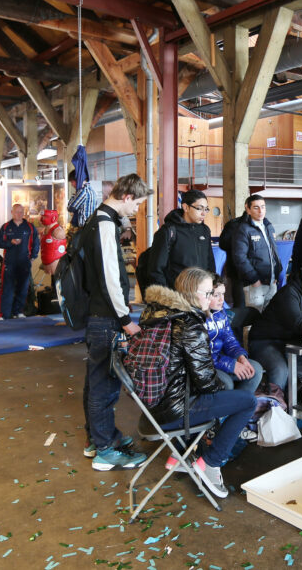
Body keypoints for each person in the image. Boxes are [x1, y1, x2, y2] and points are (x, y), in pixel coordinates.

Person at [137, 267, 257, 498]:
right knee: (246, 401)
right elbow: (206, 383)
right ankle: (211, 462)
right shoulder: (190, 325)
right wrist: (227, 388)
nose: (212, 297)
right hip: (175, 408)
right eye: (208, 292)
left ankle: (182, 452)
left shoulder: (162, 313)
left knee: (230, 393)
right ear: (193, 294)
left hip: (155, 403)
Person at [82, 174, 151, 471]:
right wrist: (125, 319)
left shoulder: (99, 220)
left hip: (99, 314)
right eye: (137, 204)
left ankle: (99, 438)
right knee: (105, 385)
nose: (136, 210)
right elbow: (111, 276)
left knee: (96, 380)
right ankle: (105, 450)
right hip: (106, 318)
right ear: (126, 197)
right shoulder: (105, 223)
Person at [248, 261, 302, 390]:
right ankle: (275, 405)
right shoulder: (288, 294)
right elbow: (299, 327)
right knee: (280, 369)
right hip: (264, 342)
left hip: (289, 343)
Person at [204, 273, 263, 393]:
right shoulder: (196, 318)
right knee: (226, 383)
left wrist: (240, 357)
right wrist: (230, 364)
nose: (222, 299)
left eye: (223, 294)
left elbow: (229, 340)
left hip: (219, 360)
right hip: (206, 365)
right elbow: (201, 355)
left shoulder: (221, 313)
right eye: (216, 295)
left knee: (255, 369)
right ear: (205, 295)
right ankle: (227, 409)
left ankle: (241, 407)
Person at [148, 189, 213, 289]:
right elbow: (156, 269)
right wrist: (167, 296)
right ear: (186, 207)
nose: (204, 213)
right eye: (199, 208)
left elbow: (210, 263)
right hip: (177, 294)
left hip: (201, 293)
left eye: (206, 209)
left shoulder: (205, 230)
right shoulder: (169, 231)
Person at [227, 194, 281, 310]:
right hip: (255, 284)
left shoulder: (268, 227)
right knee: (252, 320)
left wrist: (276, 273)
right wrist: (254, 279)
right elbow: (239, 258)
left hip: (271, 282)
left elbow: (274, 252)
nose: (261, 210)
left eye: (263, 206)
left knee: (270, 318)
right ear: (248, 209)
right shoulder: (242, 229)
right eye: (256, 207)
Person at [0, 204, 39, 320]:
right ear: (12, 212)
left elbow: (36, 243)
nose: (19, 214)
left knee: (23, 289)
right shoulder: (6, 227)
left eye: (21, 212)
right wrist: (10, 242)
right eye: (17, 212)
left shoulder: (29, 227)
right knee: (7, 289)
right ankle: (3, 315)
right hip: (9, 262)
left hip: (24, 262)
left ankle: (18, 312)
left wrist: (33, 257)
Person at [39, 209, 67, 275]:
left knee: (56, 280)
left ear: (53, 218)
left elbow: (62, 248)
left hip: (55, 262)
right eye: (42, 217)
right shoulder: (45, 229)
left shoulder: (58, 231)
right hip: (46, 261)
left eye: (45, 217)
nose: (42, 219)